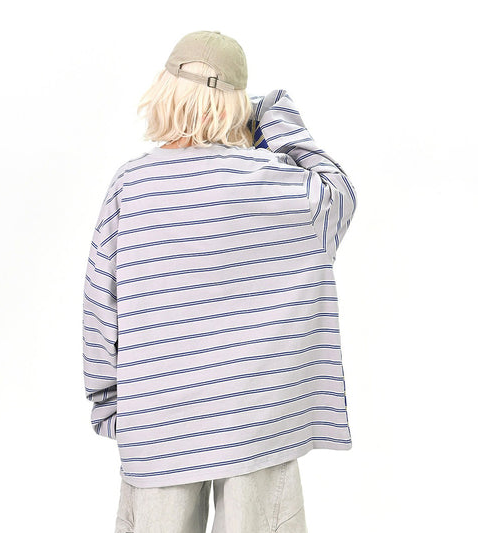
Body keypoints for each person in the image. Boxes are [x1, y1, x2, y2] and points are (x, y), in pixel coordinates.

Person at [82, 30, 357, 533]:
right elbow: (339, 194)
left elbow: (102, 303)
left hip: (157, 416)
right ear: (236, 105)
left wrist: (108, 402)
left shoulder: (131, 186)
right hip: (258, 415)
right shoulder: (275, 182)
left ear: (164, 90)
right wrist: (271, 114)